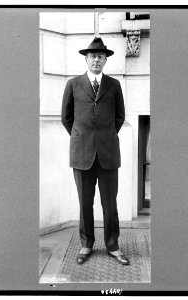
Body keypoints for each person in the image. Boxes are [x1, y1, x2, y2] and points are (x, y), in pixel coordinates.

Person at [61, 37, 129, 266]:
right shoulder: (73, 84)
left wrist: (106, 137)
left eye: (100, 56)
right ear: (86, 59)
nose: (96, 60)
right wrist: (83, 138)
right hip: (82, 155)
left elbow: (120, 117)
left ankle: (113, 246)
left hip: (108, 154)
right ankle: (86, 244)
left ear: (106, 60)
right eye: (92, 56)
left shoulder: (114, 85)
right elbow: (66, 118)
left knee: (110, 203)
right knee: (85, 203)